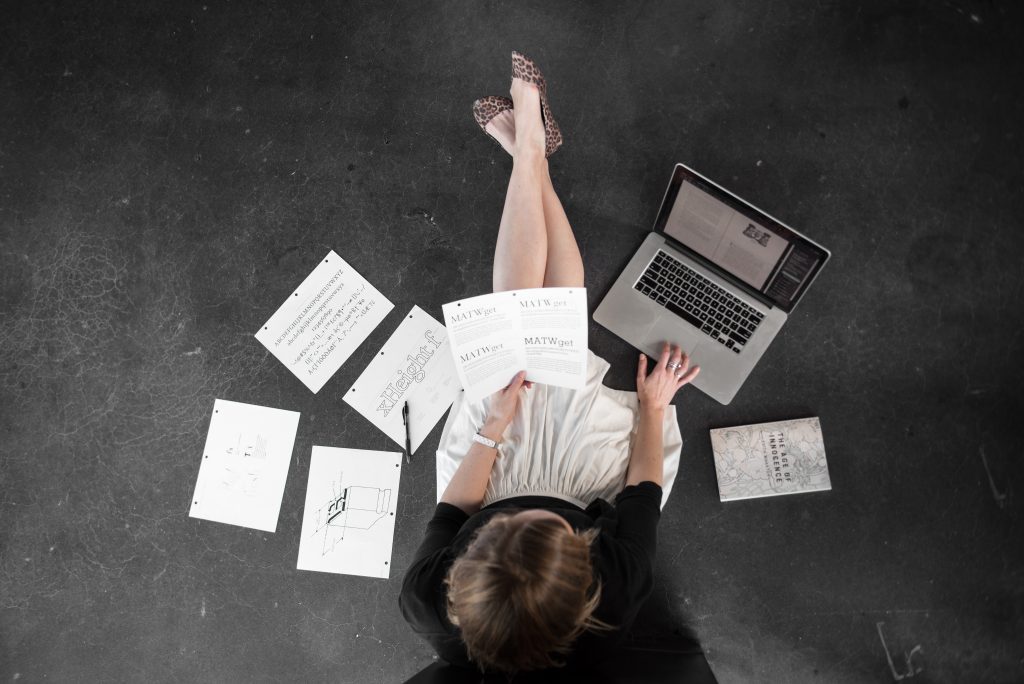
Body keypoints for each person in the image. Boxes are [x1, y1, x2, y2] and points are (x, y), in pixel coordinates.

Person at [399, 51, 700, 675]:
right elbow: (642, 491)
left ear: (469, 557)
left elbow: (454, 512)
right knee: (550, 331)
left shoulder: (429, 602)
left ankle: (530, 153)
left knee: (521, 321)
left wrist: (494, 427)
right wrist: (653, 407)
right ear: (583, 560)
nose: (523, 508)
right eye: (539, 522)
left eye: (504, 525)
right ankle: (530, 154)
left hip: (490, 471)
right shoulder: (615, 592)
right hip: (587, 484)